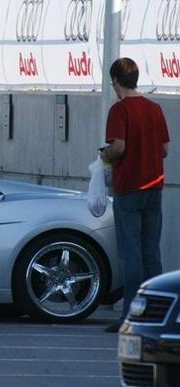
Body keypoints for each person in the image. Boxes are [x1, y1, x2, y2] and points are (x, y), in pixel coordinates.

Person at [100, 58, 170, 332]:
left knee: (131, 256)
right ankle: (157, 313)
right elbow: (164, 149)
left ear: (116, 81)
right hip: (154, 188)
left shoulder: (120, 110)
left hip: (129, 188)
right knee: (151, 254)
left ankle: (131, 317)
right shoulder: (155, 109)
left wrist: (104, 156)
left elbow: (118, 148)